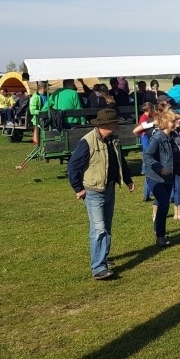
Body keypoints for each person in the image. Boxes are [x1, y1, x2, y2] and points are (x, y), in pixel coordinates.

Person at [67, 108, 135, 279]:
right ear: (106, 124)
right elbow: (73, 167)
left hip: (109, 189)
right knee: (99, 229)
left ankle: (102, 258)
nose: (117, 125)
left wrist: (127, 179)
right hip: (93, 192)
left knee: (106, 228)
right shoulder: (87, 142)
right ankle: (98, 268)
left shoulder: (113, 140)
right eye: (115, 122)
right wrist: (78, 189)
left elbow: (120, 160)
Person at [143, 109, 180, 247]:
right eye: (173, 121)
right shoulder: (157, 138)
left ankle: (159, 231)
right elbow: (147, 156)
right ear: (165, 122)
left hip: (168, 177)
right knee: (164, 203)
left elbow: (177, 156)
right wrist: (160, 168)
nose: (176, 123)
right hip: (155, 177)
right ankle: (160, 236)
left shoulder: (173, 137)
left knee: (164, 205)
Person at [133, 102, 156, 202]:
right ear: (150, 109)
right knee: (147, 152)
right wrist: (153, 123)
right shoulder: (143, 117)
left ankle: (149, 192)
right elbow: (143, 126)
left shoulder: (148, 116)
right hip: (144, 136)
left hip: (146, 136)